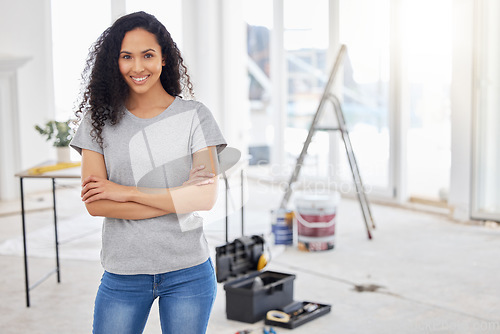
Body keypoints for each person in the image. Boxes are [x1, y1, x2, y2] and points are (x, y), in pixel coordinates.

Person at [70, 11, 226, 334]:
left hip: (188, 271)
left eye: (147, 55)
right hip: (123, 272)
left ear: (164, 59)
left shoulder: (195, 116)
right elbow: (96, 203)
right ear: (115, 61)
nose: (137, 67)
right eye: (127, 56)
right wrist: (176, 198)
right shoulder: (96, 122)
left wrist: (124, 191)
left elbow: (204, 197)